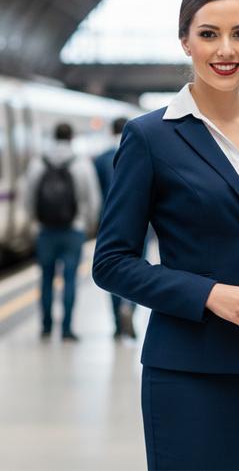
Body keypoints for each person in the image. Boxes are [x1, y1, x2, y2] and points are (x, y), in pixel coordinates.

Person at [92, 0, 239, 471]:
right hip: (186, 371)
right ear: (185, 41)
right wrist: (207, 294)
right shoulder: (150, 137)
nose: (226, 49)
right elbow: (111, 263)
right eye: (209, 34)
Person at [24, 122, 101, 341]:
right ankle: (66, 329)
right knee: (70, 279)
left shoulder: (38, 163)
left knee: (46, 279)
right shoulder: (81, 163)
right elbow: (92, 199)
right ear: (72, 138)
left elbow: (28, 196)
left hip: (45, 230)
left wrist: (35, 221)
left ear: (53, 137)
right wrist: (87, 224)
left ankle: (46, 327)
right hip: (73, 231)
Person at [93, 116, 137, 339]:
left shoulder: (101, 160)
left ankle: (117, 324)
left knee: (114, 266)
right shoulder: (142, 149)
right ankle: (129, 308)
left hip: (109, 221)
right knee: (138, 265)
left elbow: (95, 195)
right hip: (141, 223)